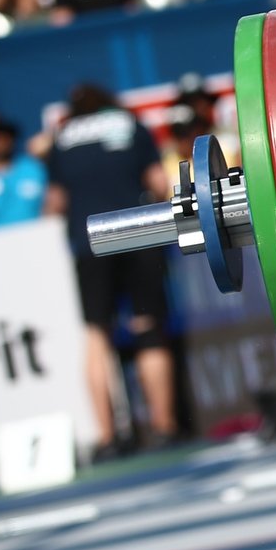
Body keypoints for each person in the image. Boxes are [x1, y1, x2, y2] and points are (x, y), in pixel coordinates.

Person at [43, 83, 179, 458]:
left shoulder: (62, 138)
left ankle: (106, 437)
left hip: (89, 242)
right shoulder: (130, 125)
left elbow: (55, 202)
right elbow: (158, 182)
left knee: (96, 336)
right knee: (148, 326)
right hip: (138, 231)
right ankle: (163, 427)